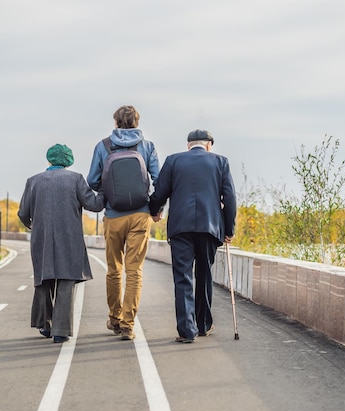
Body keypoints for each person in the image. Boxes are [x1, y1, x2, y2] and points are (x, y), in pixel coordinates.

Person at [149, 129, 236, 343]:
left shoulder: (173, 161)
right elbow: (230, 197)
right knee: (205, 275)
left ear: (189, 145)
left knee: (183, 278)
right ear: (208, 145)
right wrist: (228, 229)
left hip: (180, 228)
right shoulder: (220, 162)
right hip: (209, 228)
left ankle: (187, 330)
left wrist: (154, 210)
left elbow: (160, 192)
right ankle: (204, 325)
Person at [18, 144, 104, 343]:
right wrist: (105, 191)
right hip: (69, 239)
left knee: (43, 280)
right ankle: (60, 331)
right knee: (65, 281)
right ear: (68, 161)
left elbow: (23, 212)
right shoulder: (76, 180)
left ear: (49, 160)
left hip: (42, 237)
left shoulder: (33, 181)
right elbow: (94, 204)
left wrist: (33, 225)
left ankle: (44, 325)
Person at [87, 105, 160, 340]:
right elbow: (159, 179)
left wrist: (111, 190)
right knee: (135, 271)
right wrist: (155, 208)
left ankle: (115, 318)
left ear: (116, 123)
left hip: (113, 215)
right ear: (137, 123)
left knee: (114, 270)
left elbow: (92, 180)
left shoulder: (104, 146)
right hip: (140, 215)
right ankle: (129, 325)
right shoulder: (147, 146)